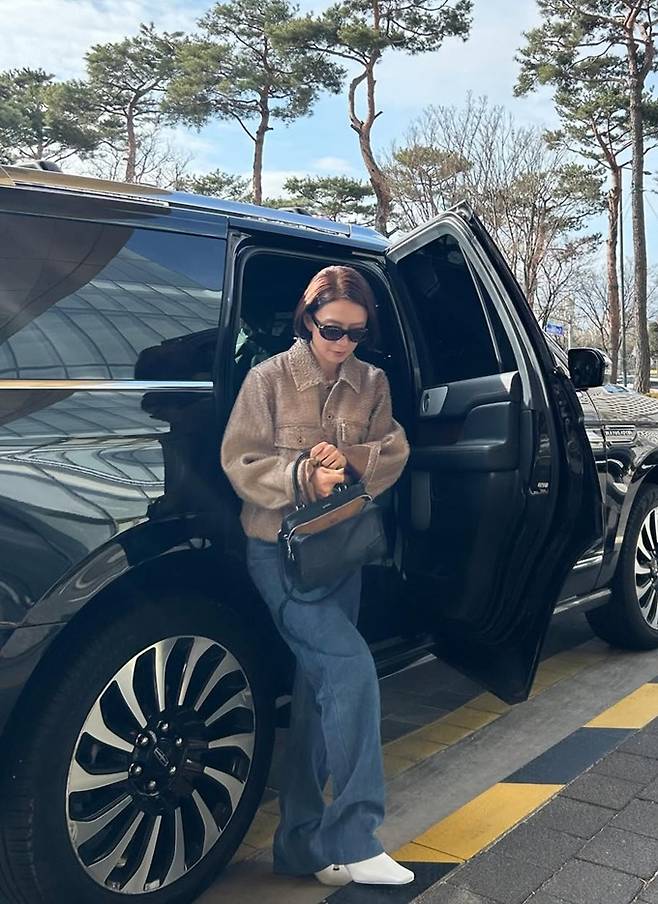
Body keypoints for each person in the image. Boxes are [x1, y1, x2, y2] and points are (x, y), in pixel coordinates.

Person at [220, 265, 412, 887]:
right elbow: (240, 460)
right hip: (277, 553)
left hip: (340, 553)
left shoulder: (372, 383)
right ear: (308, 320)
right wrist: (304, 474)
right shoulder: (269, 379)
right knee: (350, 670)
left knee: (317, 694)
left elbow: (393, 451)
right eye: (332, 330)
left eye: (356, 333)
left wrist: (347, 461)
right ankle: (355, 836)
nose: (343, 343)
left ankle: (300, 846)